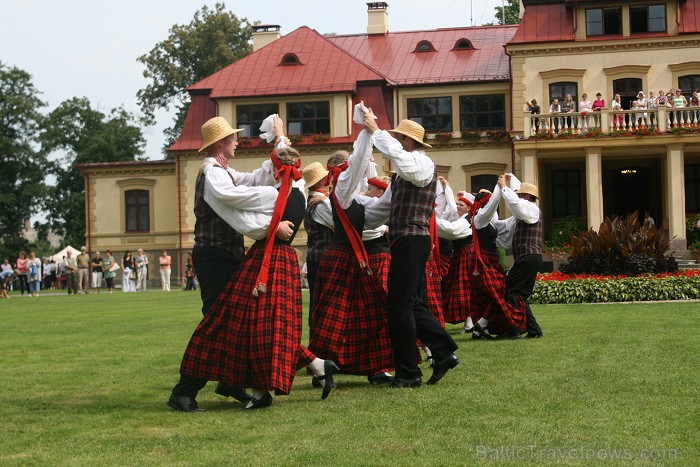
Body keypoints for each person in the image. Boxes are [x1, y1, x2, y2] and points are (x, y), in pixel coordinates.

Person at [169, 145, 338, 411]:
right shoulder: (301, 193)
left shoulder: (271, 193)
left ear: (275, 169)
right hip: (281, 260)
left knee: (243, 322)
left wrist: (269, 226)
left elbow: (235, 204)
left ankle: (223, 387)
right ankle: (311, 366)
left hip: (266, 259)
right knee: (262, 323)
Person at [363, 114, 459, 388]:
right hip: (407, 241)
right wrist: (350, 217)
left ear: (406, 140)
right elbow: (381, 210)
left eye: (397, 138)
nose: (394, 142)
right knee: (412, 303)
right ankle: (442, 351)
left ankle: (409, 372)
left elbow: (407, 166)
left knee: (399, 306)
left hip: (412, 240)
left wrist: (376, 132)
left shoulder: (421, 163)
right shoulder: (402, 173)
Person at [308, 107, 395, 387]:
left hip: (353, 258)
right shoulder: (338, 194)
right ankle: (322, 366)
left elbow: (379, 207)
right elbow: (359, 164)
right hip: (341, 258)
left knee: (362, 313)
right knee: (333, 316)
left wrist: (398, 173)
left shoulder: (353, 197)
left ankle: (370, 367)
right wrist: (369, 131)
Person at [191, 116, 279, 316]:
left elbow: (255, 180)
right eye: (233, 138)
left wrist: (278, 150)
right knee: (218, 314)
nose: (237, 142)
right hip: (214, 253)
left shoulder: (223, 172)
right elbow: (235, 195)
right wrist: (273, 204)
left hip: (224, 252)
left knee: (231, 314)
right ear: (221, 142)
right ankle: (208, 348)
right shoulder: (213, 173)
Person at [499, 174, 544, 338]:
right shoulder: (524, 213)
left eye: (520, 194)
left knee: (510, 290)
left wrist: (504, 187)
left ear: (526, 196)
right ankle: (534, 331)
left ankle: (514, 329)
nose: (516, 196)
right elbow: (504, 225)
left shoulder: (530, 208)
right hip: (529, 258)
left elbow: (516, 204)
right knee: (520, 295)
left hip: (528, 257)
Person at [301, 160, 332, 322]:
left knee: (319, 306)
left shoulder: (317, 201)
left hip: (317, 258)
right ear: (321, 181)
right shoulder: (320, 205)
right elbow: (337, 225)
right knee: (324, 308)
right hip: (323, 260)